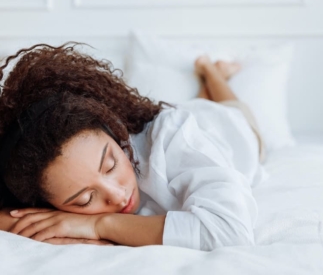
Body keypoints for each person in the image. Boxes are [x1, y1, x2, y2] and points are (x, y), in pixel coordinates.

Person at [0, 43, 267, 250]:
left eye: (111, 164)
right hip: (188, 118)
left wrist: (97, 223)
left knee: (230, 107)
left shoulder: (173, 137)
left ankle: (211, 69)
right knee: (194, 105)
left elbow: (230, 232)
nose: (117, 195)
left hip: (230, 128)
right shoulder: (51, 182)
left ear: (116, 133)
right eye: (85, 200)